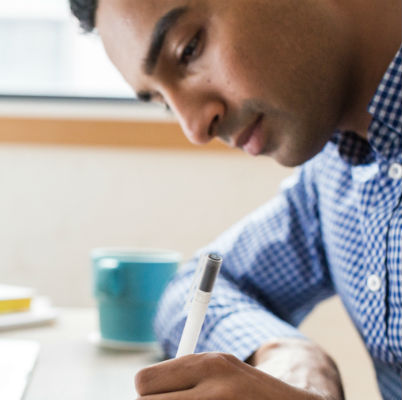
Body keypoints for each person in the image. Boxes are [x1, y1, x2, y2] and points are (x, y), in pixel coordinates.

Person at [69, 0, 402, 399]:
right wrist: (291, 359)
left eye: (188, 49)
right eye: (161, 100)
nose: (194, 128)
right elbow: (191, 290)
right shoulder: (337, 172)